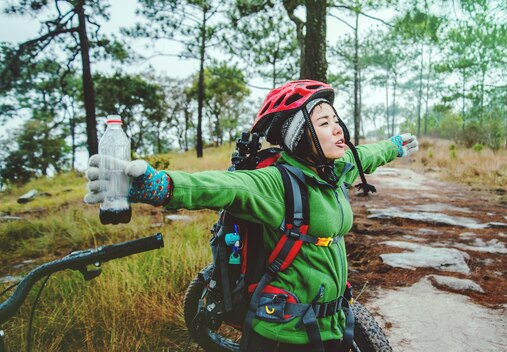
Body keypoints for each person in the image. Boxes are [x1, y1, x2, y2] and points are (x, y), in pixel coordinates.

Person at [84, 80, 418, 351]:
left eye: (336, 119)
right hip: (282, 337)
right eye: (324, 122)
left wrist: (395, 145)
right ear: (299, 135)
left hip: (329, 325)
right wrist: (158, 186)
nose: (337, 128)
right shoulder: (275, 182)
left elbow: (365, 155)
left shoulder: (333, 169)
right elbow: (221, 186)